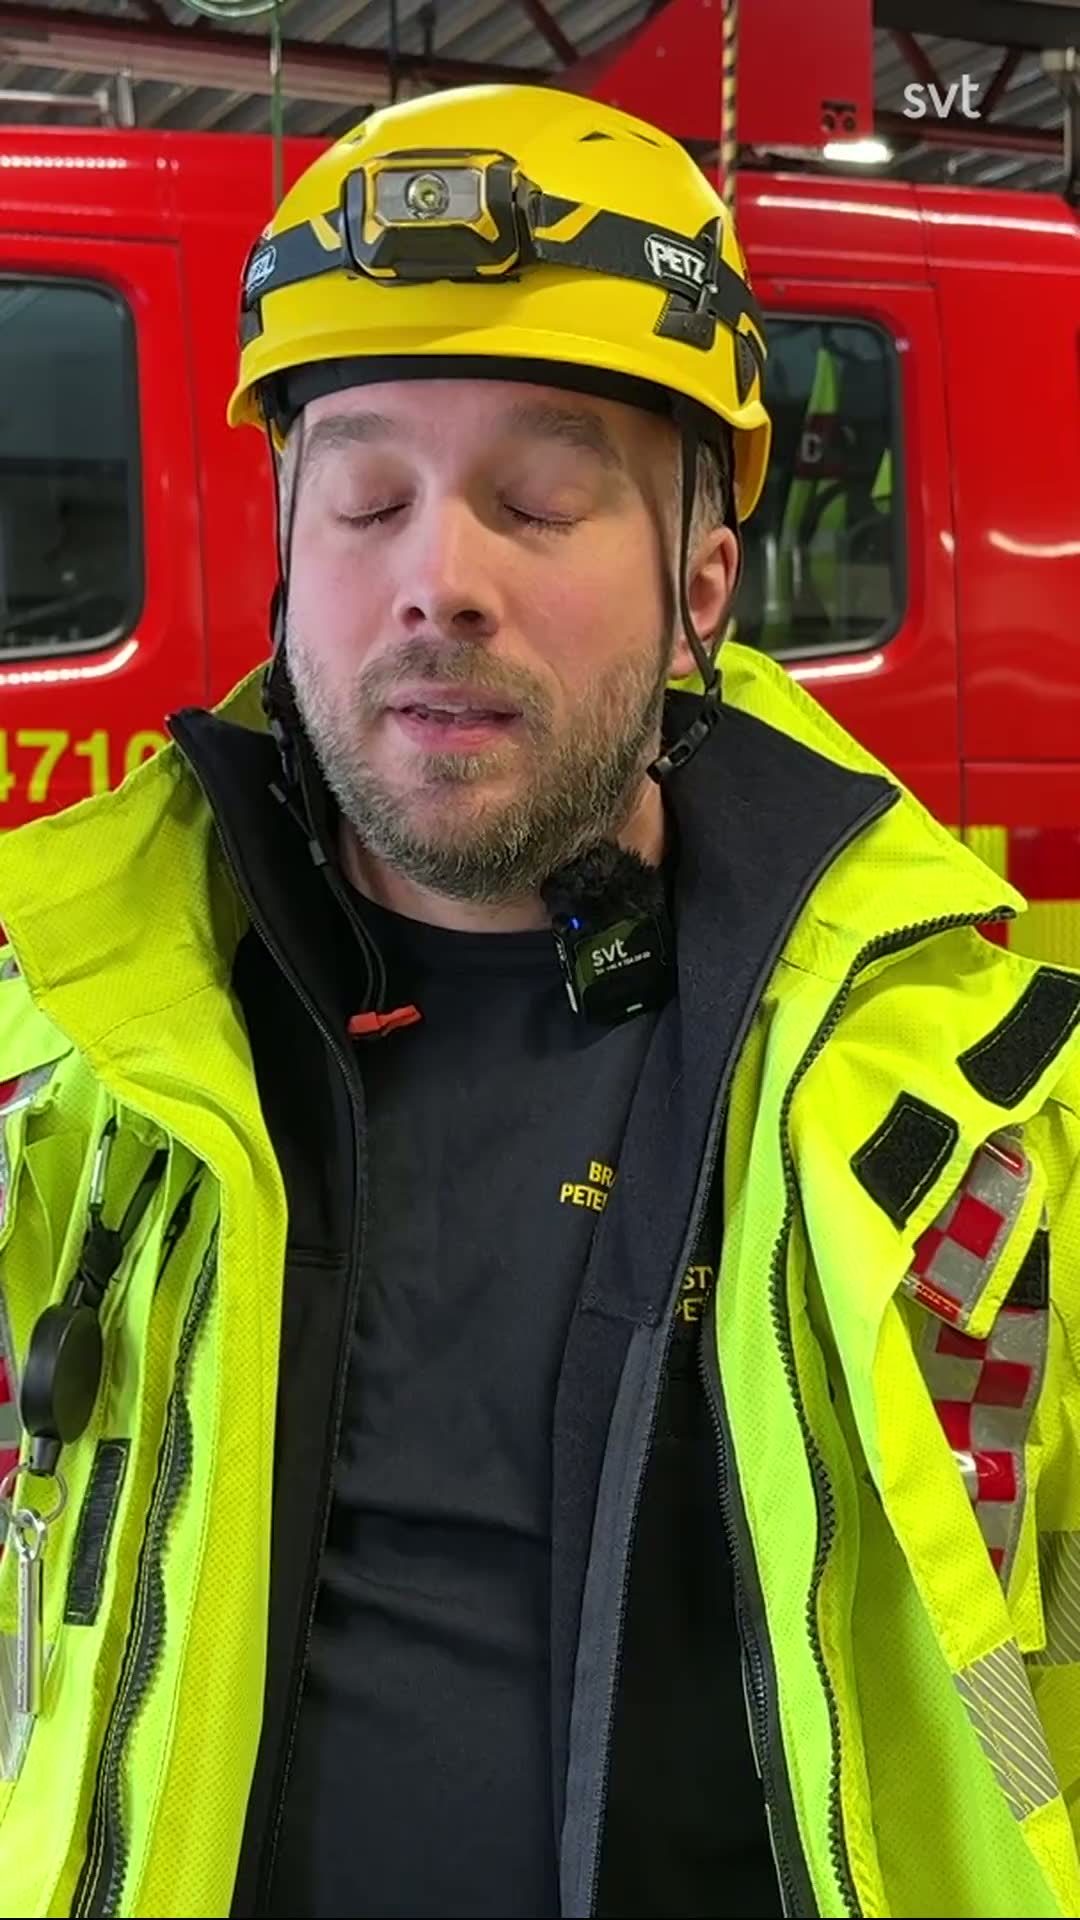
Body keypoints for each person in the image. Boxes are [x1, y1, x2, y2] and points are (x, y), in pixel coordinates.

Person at [0, 80, 1079, 1920]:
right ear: (291, 564)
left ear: (702, 589)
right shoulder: (57, 1076)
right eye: (367, 501)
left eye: (542, 501)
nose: (440, 581)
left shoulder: (975, 1118)